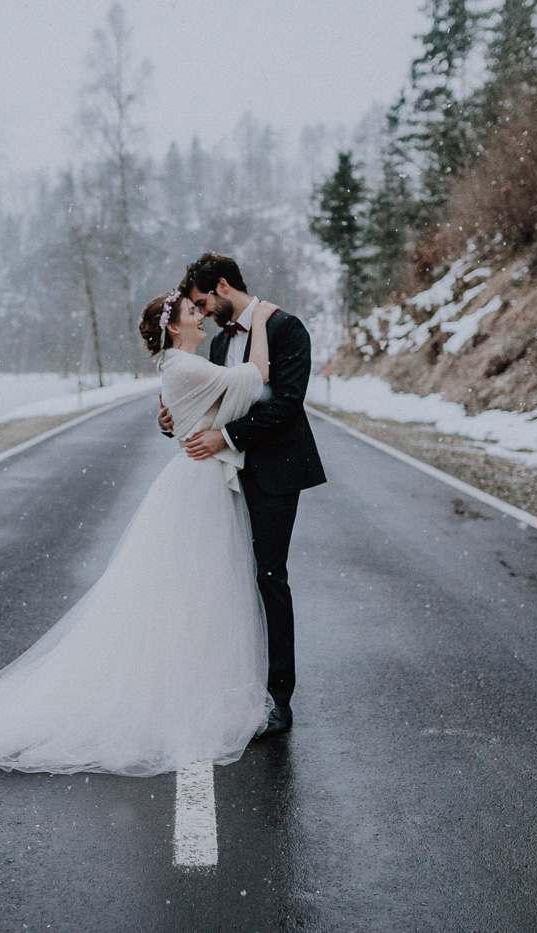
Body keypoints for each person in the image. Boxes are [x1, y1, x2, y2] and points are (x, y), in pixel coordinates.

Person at [0, 290, 282, 777]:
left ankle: (188, 682)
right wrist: (262, 320)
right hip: (197, 484)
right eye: (192, 314)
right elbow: (257, 377)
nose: (201, 317)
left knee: (196, 589)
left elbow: (217, 403)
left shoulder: (182, 366)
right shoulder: (183, 367)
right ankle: (182, 693)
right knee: (195, 588)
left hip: (199, 479)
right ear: (174, 328)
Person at [159, 252, 326, 736]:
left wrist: (228, 438)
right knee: (226, 578)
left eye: (203, 303)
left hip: (274, 473)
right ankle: (231, 684)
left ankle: (279, 698)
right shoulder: (217, 348)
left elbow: (287, 405)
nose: (203, 314)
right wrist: (173, 421)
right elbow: (211, 407)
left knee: (269, 578)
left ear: (224, 287)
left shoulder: (288, 329)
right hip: (221, 477)